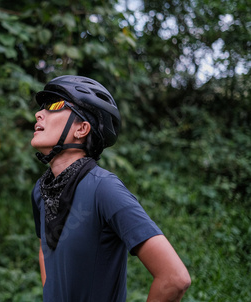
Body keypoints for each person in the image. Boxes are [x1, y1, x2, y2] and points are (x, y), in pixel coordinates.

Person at [30, 75, 191, 301]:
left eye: (55, 106)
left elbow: (174, 278)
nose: (39, 113)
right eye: (41, 108)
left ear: (82, 129)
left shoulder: (103, 188)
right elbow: (45, 249)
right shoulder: (42, 190)